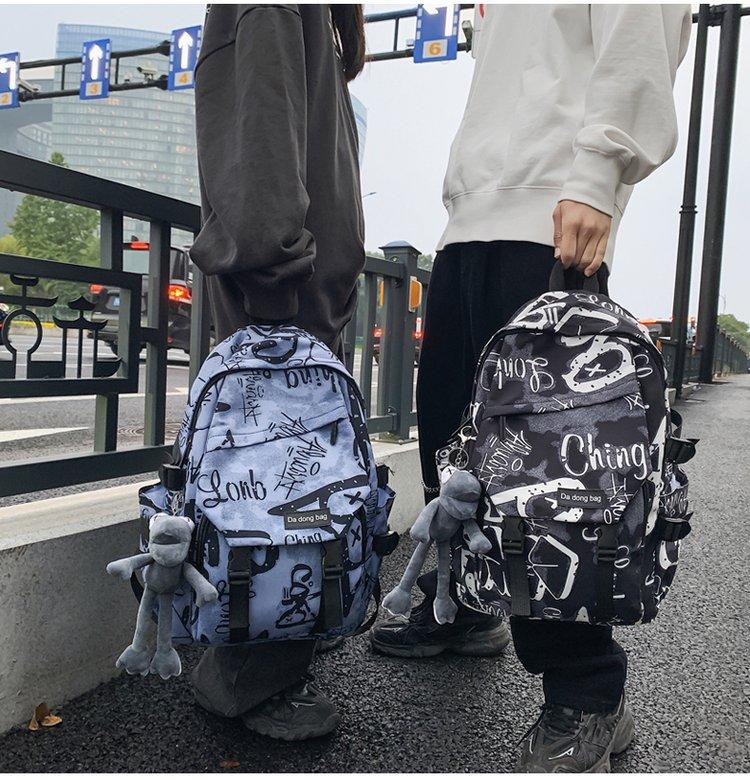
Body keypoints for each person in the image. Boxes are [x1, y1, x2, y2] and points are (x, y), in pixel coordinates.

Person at [371, 5, 691, 772]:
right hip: (468, 226)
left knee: (553, 481)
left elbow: (642, 29)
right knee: (452, 441)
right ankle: (464, 606)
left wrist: (598, 174)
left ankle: (588, 693)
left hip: (550, 214)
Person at [188, 3, 366, 741]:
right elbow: (259, 145)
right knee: (269, 494)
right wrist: (277, 299)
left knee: (281, 491)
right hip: (283, 300)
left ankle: (265, 654)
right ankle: (247, 679)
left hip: (295, 296)